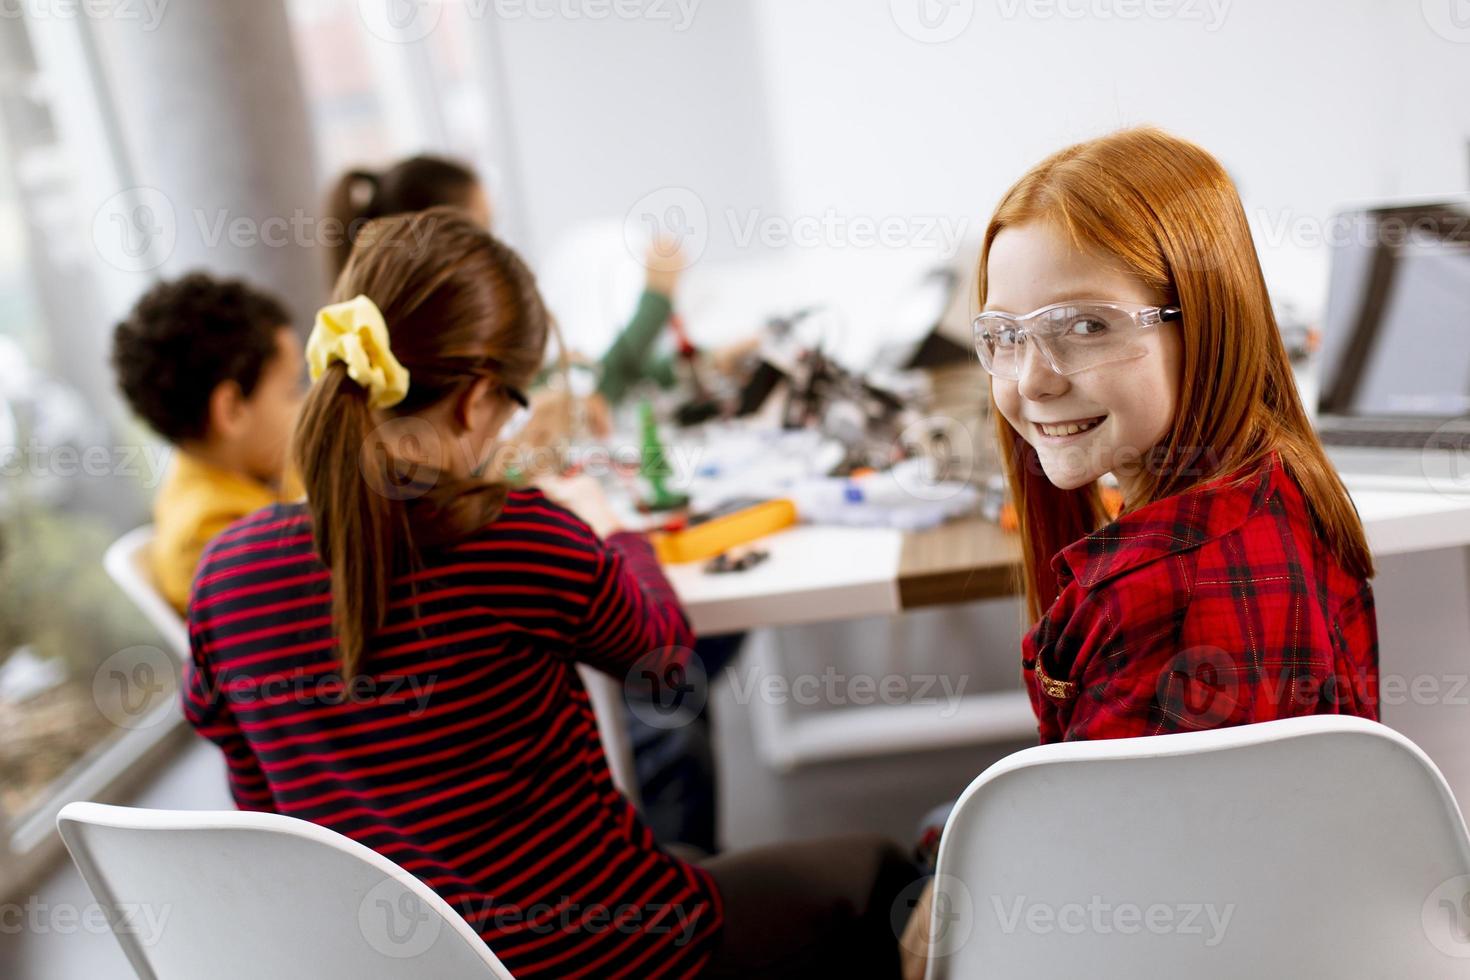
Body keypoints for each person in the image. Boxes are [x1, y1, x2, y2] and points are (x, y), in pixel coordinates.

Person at [182, 208, 919, 978]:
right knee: (882, 876)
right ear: (474, 401)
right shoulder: (515, 537)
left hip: (382, 964)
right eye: (512, 401)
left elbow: (262, 808)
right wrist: (613, 534)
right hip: (605, 954)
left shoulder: (225, 571)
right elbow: (666, 663)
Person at [900, 127, 1379, 978]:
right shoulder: (1282, 479)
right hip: (1295, 925)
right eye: (1004, 334)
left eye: (1085, 325)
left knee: (905, 871)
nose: (1033, 378)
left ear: (1210, 317)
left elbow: (1109, 920)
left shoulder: (1157, 585)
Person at [110, 272, 304, 612]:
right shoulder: (209, 539)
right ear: (231, 409)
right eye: (291, 392)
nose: (306, 405)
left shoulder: (257, 470)